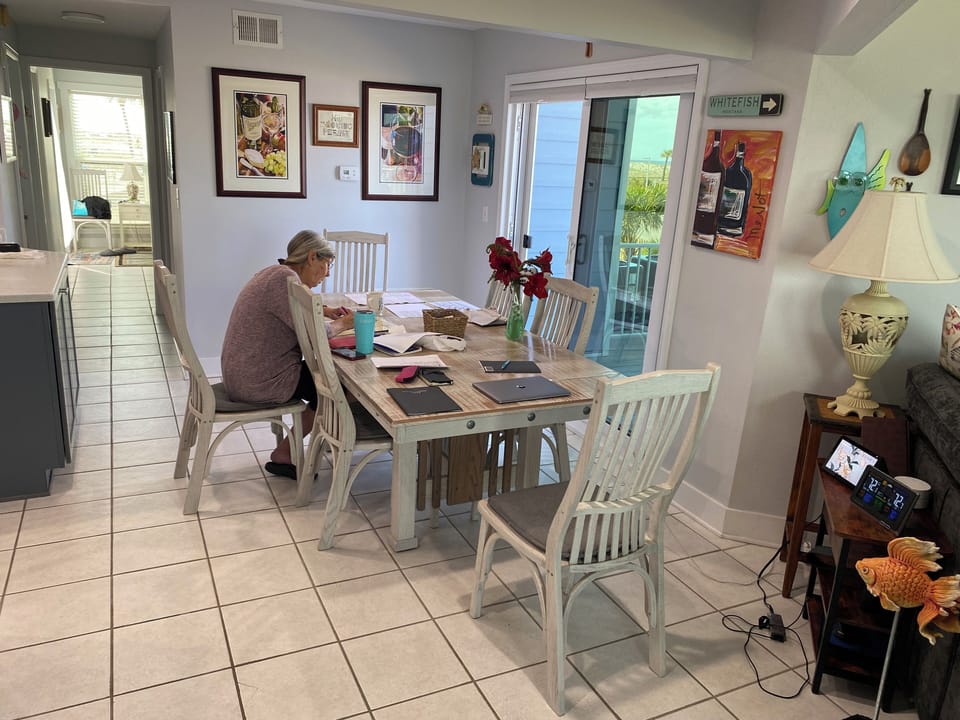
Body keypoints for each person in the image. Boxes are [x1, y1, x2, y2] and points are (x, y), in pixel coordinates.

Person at [221, 230, 353, 478]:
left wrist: (325, 310)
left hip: (243, 371)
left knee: (326, 378)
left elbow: (293, 309)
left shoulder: (276, 274)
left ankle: (306, 445)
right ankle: (288, 453)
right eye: (327, 265)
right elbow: (315, 334)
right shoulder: (287, 282)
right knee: (334, 386)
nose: (328, 273)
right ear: (312, 257)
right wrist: (345, 323)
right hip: (257, 381)